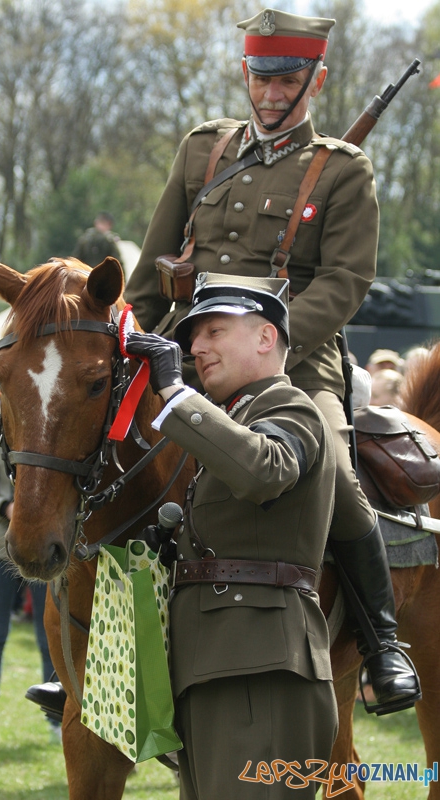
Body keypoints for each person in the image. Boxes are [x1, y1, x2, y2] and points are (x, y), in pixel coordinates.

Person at [124, 7, 419, 712]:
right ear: (245, 74)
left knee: (337, 478)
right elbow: (150, 265)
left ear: (315, 80)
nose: (270, 93)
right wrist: (141, 333)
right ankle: (80, 647)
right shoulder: (203, 150)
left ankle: (381, 642)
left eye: (286, 79)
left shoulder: (345, 171)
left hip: (293, 361)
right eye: (260, 78)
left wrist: (268, 347)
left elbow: (345, 282)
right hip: (186, 349)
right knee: (89, 453)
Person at [127, 274, 336, 797]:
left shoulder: (291, 406)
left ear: (266, 338)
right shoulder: (232, 418)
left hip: (263, 663)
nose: (195, 348)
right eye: (193, 337)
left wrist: (174, 394)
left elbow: (266, 470)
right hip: (214, 663)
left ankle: (382, 640)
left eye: (214, 332)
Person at [0, 425, 60, 745]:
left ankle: (56, 720)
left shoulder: (50, 427)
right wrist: (6, 508)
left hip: (44, 548)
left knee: (50, 639)